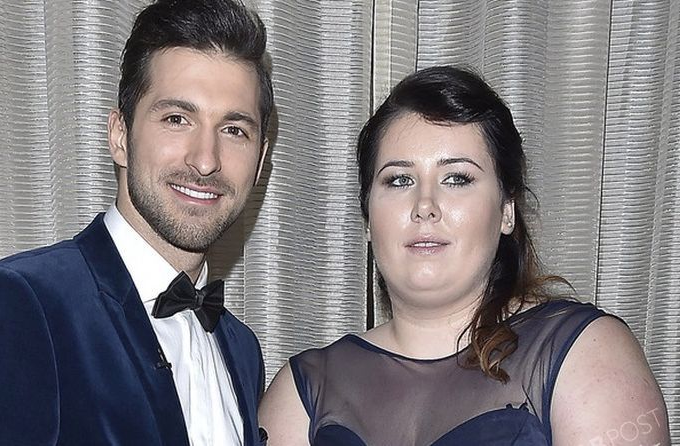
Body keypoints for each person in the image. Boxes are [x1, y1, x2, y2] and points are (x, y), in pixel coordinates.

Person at [0, 0, 273, 445]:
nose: (205, 160)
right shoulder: (19, 306)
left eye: (234, 130)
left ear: (260, 161)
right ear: (120, 136)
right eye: (176, 119)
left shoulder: (241, 350)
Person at [259, 66, 669, 445]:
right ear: (367, 219)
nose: (425, 206)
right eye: (399, 180)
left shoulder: (582, 351)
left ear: (506, 210)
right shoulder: (301, 391)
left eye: (457, 178)